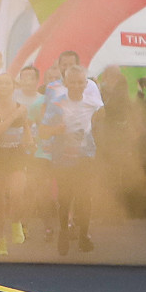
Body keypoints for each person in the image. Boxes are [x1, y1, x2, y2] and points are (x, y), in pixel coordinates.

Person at [41, 64, 103, 254]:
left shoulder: (93, 103)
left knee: (85, 198)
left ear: (86, 84)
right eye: (72, 82)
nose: (76, 86)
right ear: (65, 83)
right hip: (63, 158)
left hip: (85, 156)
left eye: (80, 82)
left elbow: (101, 120)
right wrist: (56, 130)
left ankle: (84, 235)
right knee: (65, 198)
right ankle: (63, 232)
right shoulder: (57, 103)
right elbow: (43, 132)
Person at [0, 72, 32, 256]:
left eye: (7, 84)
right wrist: (13, 116)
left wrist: (29, 137)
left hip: (16, 155)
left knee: (17, 192)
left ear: (13, 87)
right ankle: (0, 238)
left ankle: (16, 222)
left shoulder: (22, 108)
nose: (3, 87)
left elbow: (26, 127)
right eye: (0, 84)